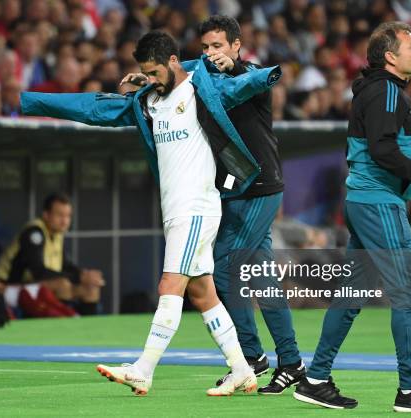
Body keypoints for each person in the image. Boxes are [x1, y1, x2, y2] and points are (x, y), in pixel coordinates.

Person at [21, 30, 283, 396]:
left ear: (174, 62)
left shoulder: (201, 90)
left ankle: (143, 369)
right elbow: (95, 109)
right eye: (147, 73)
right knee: (203, 293)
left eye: (156, 72)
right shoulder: (148, 101)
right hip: (175, 211)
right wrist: (33, 102)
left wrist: (263, 72)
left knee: (169, 285)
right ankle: (241, 369)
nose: (153, 80)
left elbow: (244, 84)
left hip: (197, 209)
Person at [293, 22, 411, 412]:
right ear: (390, 56)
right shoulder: (385, 90)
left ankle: (315, 379)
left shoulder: (382, 90)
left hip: (366, 202)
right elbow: (383, 151)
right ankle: (409, 390)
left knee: (350, 296)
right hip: (378, 204)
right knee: (406, 294)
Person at [196, 15, 305, 394]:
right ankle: (288, 361)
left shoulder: (252, 76)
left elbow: (251, 78)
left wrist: (236, 68)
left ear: (236, 46)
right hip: (236, 189)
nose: (211, 54)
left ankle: (251, 355)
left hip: (261, 187)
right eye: (206, 47)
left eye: (218, 46)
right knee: (262, 278)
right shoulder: (204, 82)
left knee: (224, 265)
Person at [0, 193, 104, 315]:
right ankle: (64, 326)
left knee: (90, 287)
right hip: (9, 286)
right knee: (62, 285)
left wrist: (85, 274)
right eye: (60, 215)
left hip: (38, 285)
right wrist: (79, 277)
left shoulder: (56, 233)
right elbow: (38, 272)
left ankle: (88, 330)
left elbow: (65, 265)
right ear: (46, 215)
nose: (65, 221)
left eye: (68, 216)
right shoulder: (34, 233)